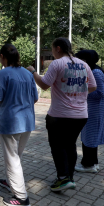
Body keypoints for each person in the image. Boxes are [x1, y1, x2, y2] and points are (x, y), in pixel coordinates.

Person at [26, 37, 97, 192]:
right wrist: (77, 92)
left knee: (58, 146)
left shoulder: (57, 64)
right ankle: (69, 177)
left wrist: (33, 72)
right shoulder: (84, 64)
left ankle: (63, 178)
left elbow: (44, 84)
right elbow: (93, 86)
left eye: (52, 49)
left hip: (59, 116)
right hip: (80, 116)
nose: (53, 52)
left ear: (58, 48)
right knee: (70, 145)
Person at [0, 44, 38, 206]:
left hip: (11, 122)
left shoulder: (3, 73)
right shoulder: (27, 73)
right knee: (16, 156)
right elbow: (35, 99)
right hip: (27, 121)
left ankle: (21, 198)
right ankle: (11, 182)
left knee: (12, 159)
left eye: (0, 56)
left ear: (3, 56)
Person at [75, 50, 104, 173]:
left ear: (85, 60)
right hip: (93, 109)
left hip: (95, 110)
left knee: (90, 137)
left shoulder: (95, 72)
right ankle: (93, 163)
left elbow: (99, 93)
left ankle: (88, 164)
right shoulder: (95, 71)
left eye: (79, 60)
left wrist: (81, 90)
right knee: (90, 136)